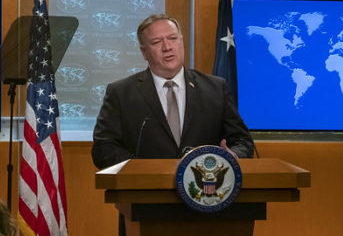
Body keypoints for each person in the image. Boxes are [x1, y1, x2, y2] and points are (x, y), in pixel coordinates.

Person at [92, 13, 255, 168]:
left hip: (206, 189)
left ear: (181, 41)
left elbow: (242, 140)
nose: (167, 47)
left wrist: (233, 156)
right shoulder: (121, 93)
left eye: (172, 38)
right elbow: (103, 148)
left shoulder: (215, 88)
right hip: (145, 191)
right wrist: (141, 168)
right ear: (144, 52)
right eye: (156, 42)